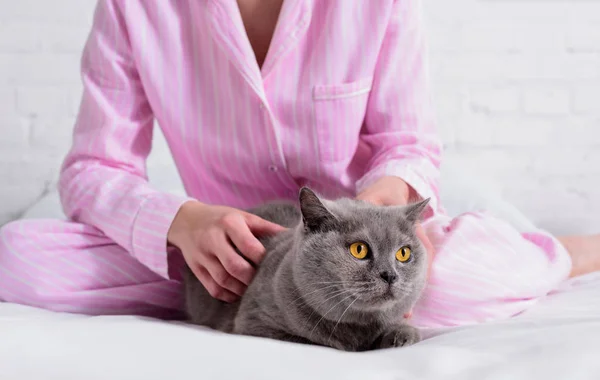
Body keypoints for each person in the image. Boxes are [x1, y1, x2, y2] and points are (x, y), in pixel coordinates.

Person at [0, 0, 598, 327]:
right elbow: (92, 168)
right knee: (20, 259)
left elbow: (408, 143)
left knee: (474, 277)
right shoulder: (134, 9)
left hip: (358, 250)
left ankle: (567, 250)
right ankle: (233, 296)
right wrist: (181, 221)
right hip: (219, 261)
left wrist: (385, 203)